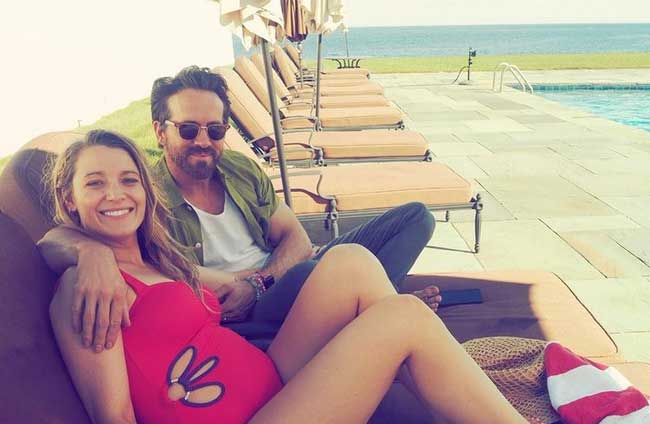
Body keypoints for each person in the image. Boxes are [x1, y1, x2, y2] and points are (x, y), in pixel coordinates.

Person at [49, 130, 648, 424]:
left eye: (127, 180)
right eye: (94, 183)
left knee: (351, 263)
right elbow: (114, 421)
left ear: (144, 189)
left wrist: (243, 285)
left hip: (270, 390)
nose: (115, 194)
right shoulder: (87, 290)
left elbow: (228, 284)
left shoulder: (154, 260)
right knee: (402, 318)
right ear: (69, 201)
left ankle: (445, 416)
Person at [38, 66, 441, 353]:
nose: (203, 141)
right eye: (188, 129)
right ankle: (378, 310)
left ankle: (369, 310)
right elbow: (56, 239)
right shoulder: (144, 194)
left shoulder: (239, 169)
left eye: (215, 130)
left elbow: (296, 237)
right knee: (327, 269)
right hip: (244, 311)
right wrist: (91, 252)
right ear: (160, 131)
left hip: (274, 280)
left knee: (415, 218)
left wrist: (260, 281)